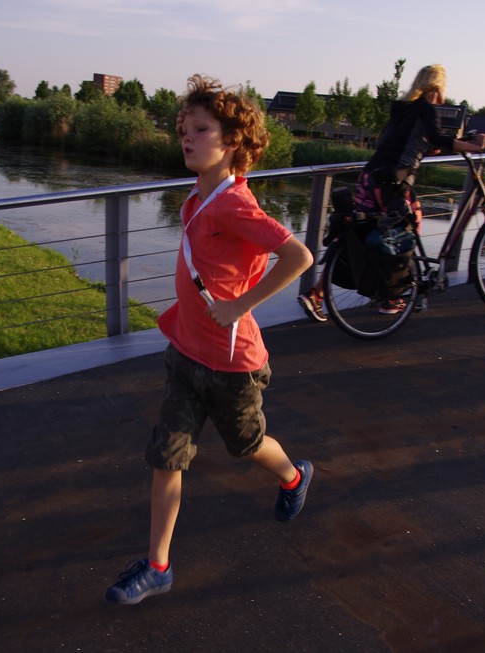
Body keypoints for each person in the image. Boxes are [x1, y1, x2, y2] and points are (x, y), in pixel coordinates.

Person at [105, 75, 315, 605]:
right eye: (184, 128)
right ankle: (157, 566)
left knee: (247, 445)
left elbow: (299, 257)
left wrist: (241, 305)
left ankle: (293, 476)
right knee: (167, 457)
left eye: (200, 129)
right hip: (186, 354)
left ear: (233, 141)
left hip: (231, 364)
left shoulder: (232, 204)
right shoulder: (198, 197)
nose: (187, 137)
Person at [298, 63, 485, 321]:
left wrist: (426, 147)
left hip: (370, 177)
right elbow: (437, 137)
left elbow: (402, 141)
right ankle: (392, 298)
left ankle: (316, 294)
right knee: (403, 232)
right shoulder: (426, 109)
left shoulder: (402, 108)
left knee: (359, 232)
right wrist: (475, 147)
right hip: (392, 183)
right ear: (437, 87)